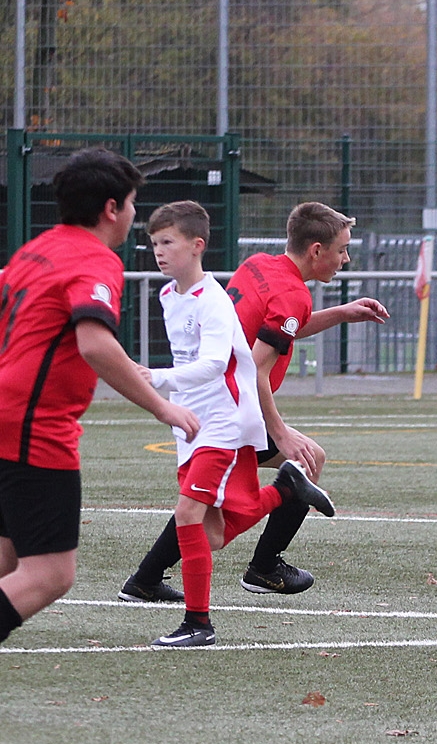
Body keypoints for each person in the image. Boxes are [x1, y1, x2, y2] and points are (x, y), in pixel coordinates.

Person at [118, 201, 388, 603]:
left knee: (202, 503)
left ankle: (148, 579)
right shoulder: (293, 294)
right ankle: (262, 570)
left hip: (206, 401)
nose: (345, 259)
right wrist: (280, 433)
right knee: (299, 464)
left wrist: (341, 313)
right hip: (227, 408)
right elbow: (257, 370)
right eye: (342, 249)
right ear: (316, 250)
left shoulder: (258, 265)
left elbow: (279, 328)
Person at [0, 148, 201, 645]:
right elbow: (93, 342)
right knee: (50, 573)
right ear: (112, 208)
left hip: (6, 418)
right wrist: (162, 405)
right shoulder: (94, 259)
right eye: (132, 203)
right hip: (32, 427)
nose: (134, 214)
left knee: (5, 560)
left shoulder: (34, 251)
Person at [135, 202, 336, 647]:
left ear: (197, 245)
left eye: (167, 242)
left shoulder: (213, 300)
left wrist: (155, 378)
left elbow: (214, 364)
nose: (158, 252)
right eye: (154, 244)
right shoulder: (169, 297)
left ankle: (198, 623)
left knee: (189, 514)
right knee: (210, 533)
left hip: (224, 418)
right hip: (192, 421)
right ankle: (284, 492)